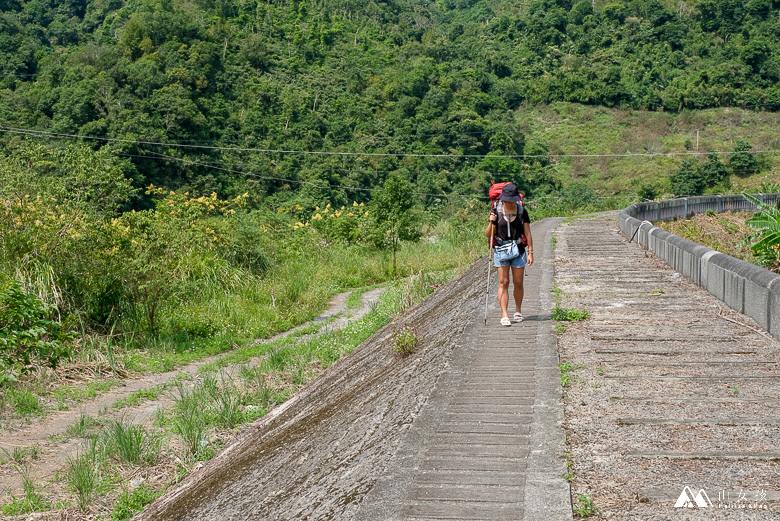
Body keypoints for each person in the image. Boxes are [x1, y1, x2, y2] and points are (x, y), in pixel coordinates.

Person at [484, 183, 534, 326]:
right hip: (500, 250)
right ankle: (504, 314)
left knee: (518, 283)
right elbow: (488, 234)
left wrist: (531, 252)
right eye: (508, 200)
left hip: (518, 250)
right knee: (503, 283)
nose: (511, 203)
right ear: (503, 199)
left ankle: (518, 310)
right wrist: (490, 222)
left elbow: (528, 233)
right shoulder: (496, 210)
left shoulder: (521, 211)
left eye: (513, 200)